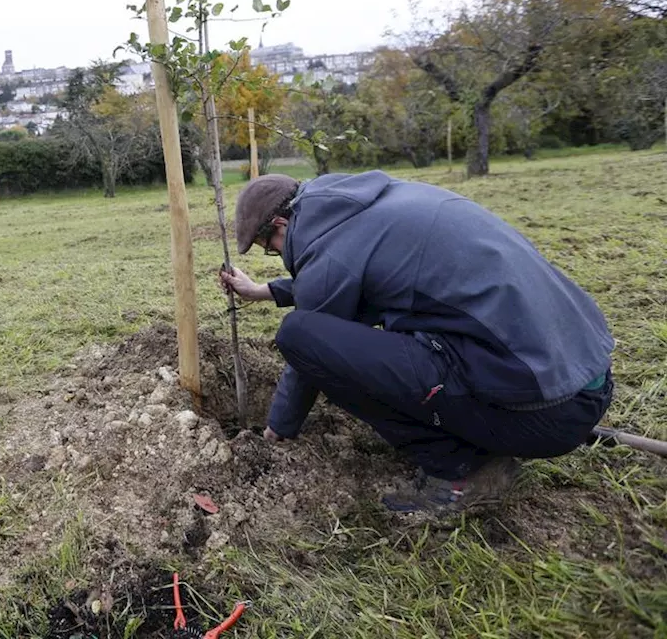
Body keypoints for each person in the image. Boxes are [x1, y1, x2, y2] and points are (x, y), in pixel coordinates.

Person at [219, 171, 614, 514]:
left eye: (267, 247)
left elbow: (311, 338)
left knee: (298, 336)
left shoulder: (332, 248)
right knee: (390, 337)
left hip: (545, 415)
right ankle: (483, 431)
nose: (274, 254)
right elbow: (348, 275)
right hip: (582, 381)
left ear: (280, 225)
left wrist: (278, 429)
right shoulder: (374, 205)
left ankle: (462, 471)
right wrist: (263, 291)